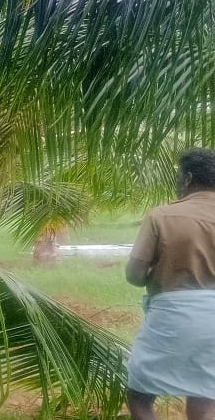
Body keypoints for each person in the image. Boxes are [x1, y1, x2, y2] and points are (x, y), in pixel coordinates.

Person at [125, 147, 215, 420]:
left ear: (188, 178)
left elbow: (134, 275)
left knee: (139, 396)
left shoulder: (161, 216)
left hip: (174, 316)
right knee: (204, 398)